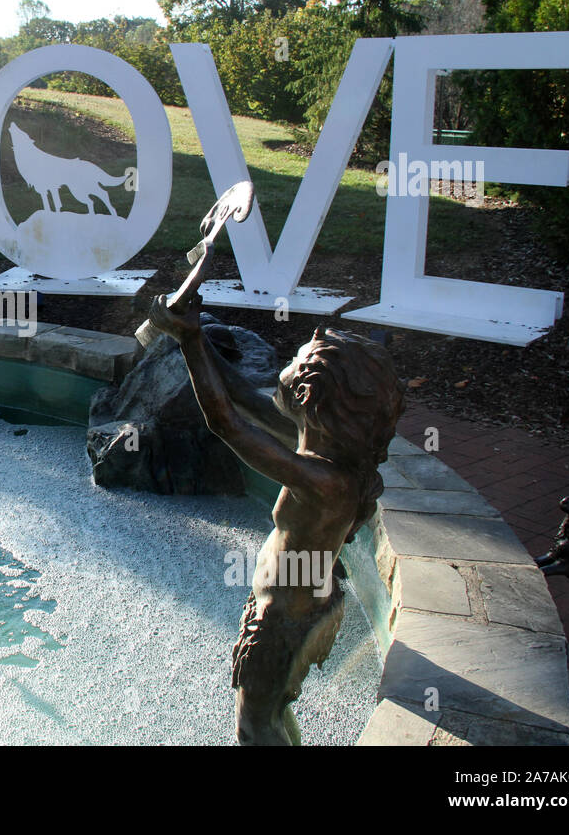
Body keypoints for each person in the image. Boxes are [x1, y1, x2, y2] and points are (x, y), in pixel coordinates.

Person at [148, 301, 405, 745]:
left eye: (292, 362)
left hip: (284, 619)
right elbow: (244, 399)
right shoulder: (326, 450)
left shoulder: (326, 482)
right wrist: (191, 336)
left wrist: (190, 340)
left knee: (255, 728)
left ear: (306, 395)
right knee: (272, 714)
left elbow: (225, 423)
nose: (283, 366)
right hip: (299, 604)